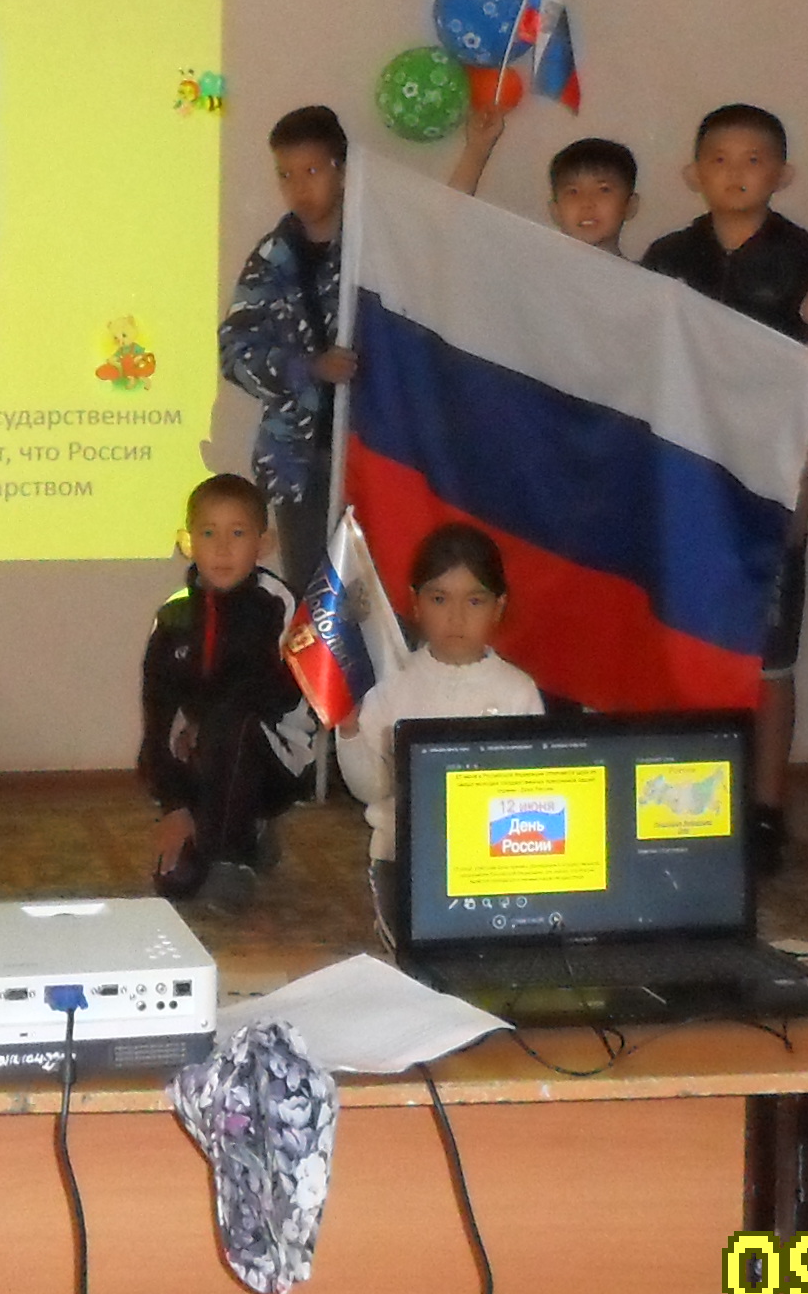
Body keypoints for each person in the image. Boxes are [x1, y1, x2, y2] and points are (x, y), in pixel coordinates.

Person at [639, 105, 808, 872]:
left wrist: (807, 488)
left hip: (770, 485)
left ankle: (764, 811)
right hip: (683, 485)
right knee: (680, 648)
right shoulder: (667, 259)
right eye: (719, 159)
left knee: (768, 660)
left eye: (754, 160)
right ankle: (679, 807)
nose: (736, 173)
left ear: (783, 174)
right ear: (693, 174)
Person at [334, 522, 546, 934]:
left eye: (474, 601)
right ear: (415, 604)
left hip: (492, 866)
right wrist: (349, 729)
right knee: (415, 952)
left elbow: (531, 795)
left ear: (499, 607)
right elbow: (371, 788)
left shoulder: (518, 692)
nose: (456, 617)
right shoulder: (391, 684)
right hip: (402, 860)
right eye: (439, 599)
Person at [138, 473, 315, 909]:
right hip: (204, 758)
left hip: (275, 757)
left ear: (263, 543)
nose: (221, 549)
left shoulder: (280, 605)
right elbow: (158, 717)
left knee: (231, 721)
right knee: (176, 883)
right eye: (208, 534)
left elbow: (284, 693)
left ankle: (231, 855)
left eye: (237, 534)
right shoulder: (173, 617)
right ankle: (234, 833)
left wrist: (213, 716)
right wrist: (175, 805)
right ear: (187, 542)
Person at [218, 105, 355, 592]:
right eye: (285, 175)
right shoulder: (270, 259)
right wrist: (309, 368)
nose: (299, 187)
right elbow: (234, 352)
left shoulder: (375, 246)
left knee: (379, 601)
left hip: (375, 452)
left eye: (312, 171)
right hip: (299, 464)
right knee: (313, 599)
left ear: (343, 170)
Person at [449, 105, 644, 256]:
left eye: (604, 189)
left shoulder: (650, 286)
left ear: (631, 205)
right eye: (573, 192)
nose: (587, 202)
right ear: (555, 211)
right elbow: (449, 224)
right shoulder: (535, 271)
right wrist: (478, 149)